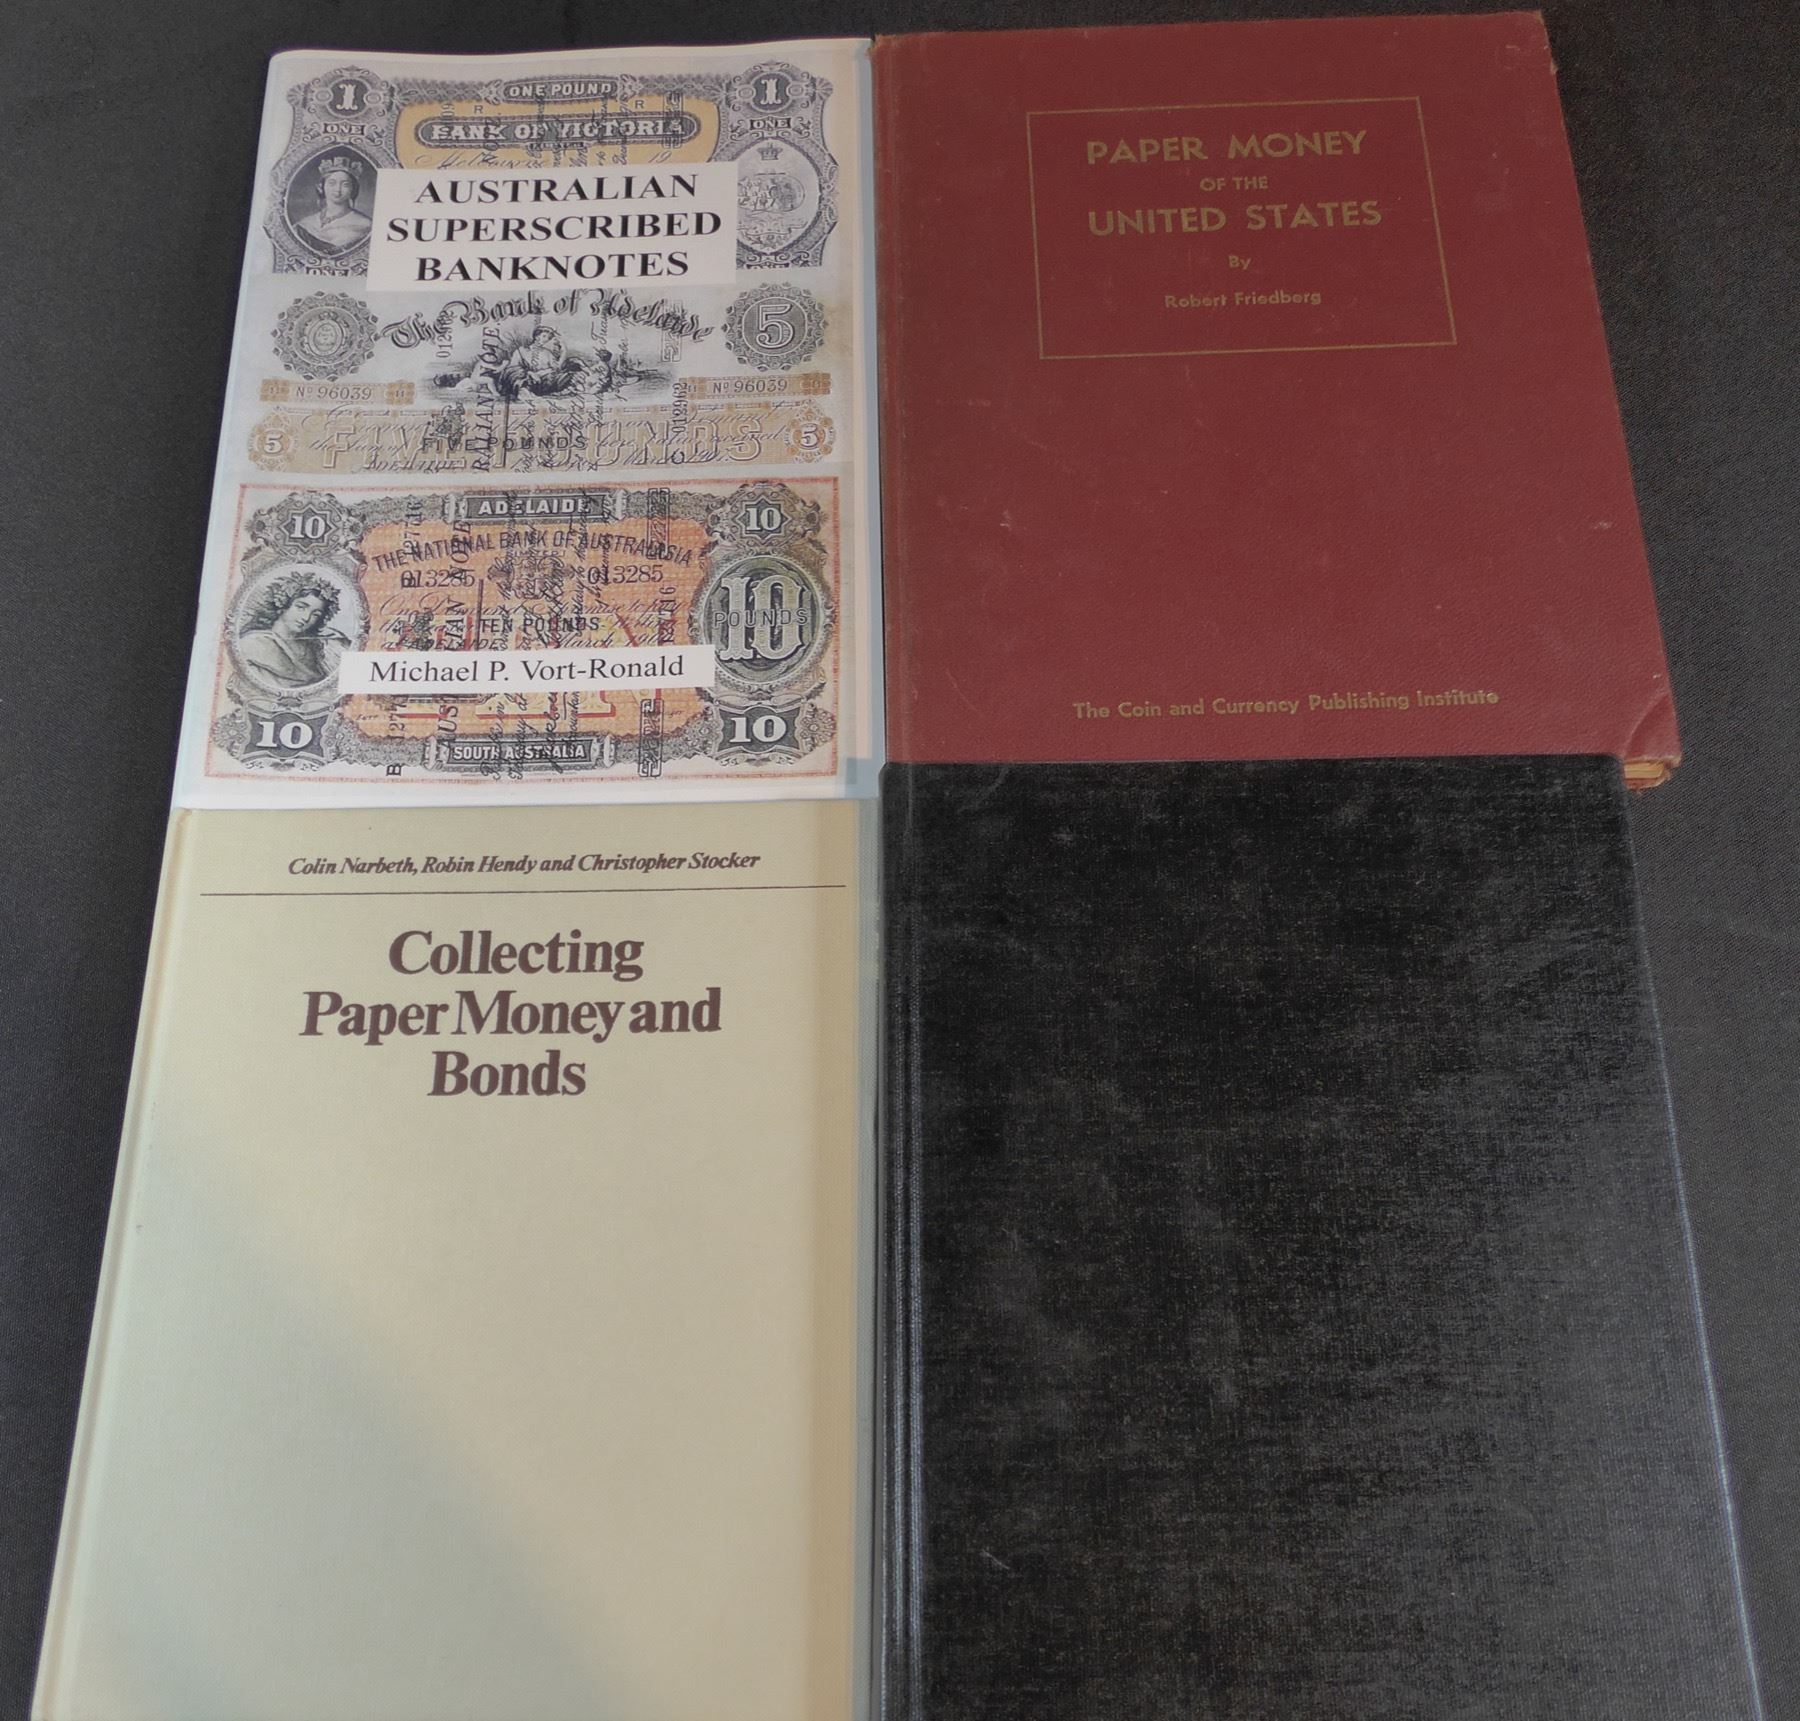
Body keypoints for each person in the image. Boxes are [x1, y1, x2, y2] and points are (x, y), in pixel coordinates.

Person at [237, 574, 348, 687]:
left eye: (315, 615)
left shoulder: (314, 650)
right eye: (301, 607)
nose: (306, 618)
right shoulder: (252, 643)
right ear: (283, 605)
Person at [297, 155, 372, 251]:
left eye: (345, 185)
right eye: (332, 183)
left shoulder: (365, 225)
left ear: (353, 189)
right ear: (321, 187)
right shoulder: (306, 224)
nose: (337, 189)